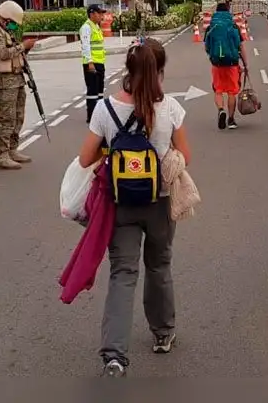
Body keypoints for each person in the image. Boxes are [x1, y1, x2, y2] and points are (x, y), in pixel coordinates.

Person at [77, 37, 192, 378]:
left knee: (122, 274)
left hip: (121, 203)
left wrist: (112, 156)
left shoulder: (106, 109)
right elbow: (186, 156)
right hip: (159, 201)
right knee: (159, 266)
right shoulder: (169, 108)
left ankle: (114, 356)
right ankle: (163, 333)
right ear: (159, 71)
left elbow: (86, 158)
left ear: (127, 69)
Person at [0, 0, 37, 170]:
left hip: (16, 78)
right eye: (12, 23)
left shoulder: (3, 29)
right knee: (7, 118)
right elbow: (3, 54)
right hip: (4, 82)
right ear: (6, 18)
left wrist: (24, 49)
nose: (13, 26)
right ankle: (2, 155)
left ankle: (12, 149)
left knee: (18, 115)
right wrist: (23, 46)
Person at [205, 1, 249, 130]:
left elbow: (207, 46)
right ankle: (231, 119)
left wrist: (212, 56)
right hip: (232, 64)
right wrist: (245, 64)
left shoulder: (211, 26)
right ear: (228, 11)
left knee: (218, 90)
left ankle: (220, 109)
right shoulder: (233, 26)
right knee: (231, 92)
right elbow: (240, 46)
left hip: (216, 63)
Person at [80, 4, 108, 121]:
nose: (101, 15)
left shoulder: (96, 27)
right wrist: (90, 62)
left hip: (100, 62)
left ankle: (99, 114)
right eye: (99, 13)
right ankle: (91, 116)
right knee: (92, 91)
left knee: (100, 90)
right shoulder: (86, 27)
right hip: (91, 63)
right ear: (92, 14)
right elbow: (86, 46)